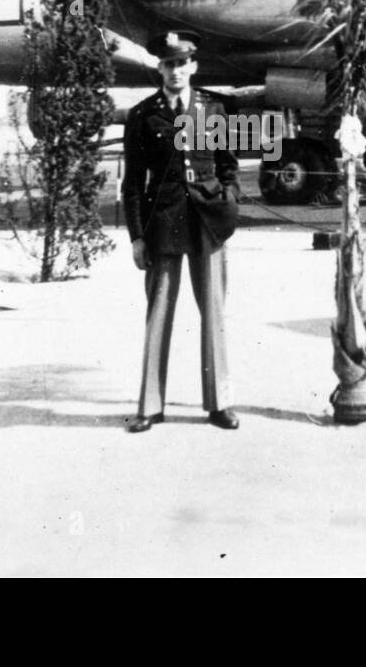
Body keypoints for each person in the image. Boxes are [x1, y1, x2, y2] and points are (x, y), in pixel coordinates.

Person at [122, 30, 241, 433]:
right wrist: (137, 236)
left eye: (182, 63)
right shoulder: (142, 115)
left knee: (214, 311)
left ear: (194, 65)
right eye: (168, 64)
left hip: (208, 220)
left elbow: (228, 166)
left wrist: (230, 201)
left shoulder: (214, 109)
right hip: (163, 222)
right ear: (160, 67)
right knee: (159, 311)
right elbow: (133, 183)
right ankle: (151, 406)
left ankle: (220, 403)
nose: (176, 71)